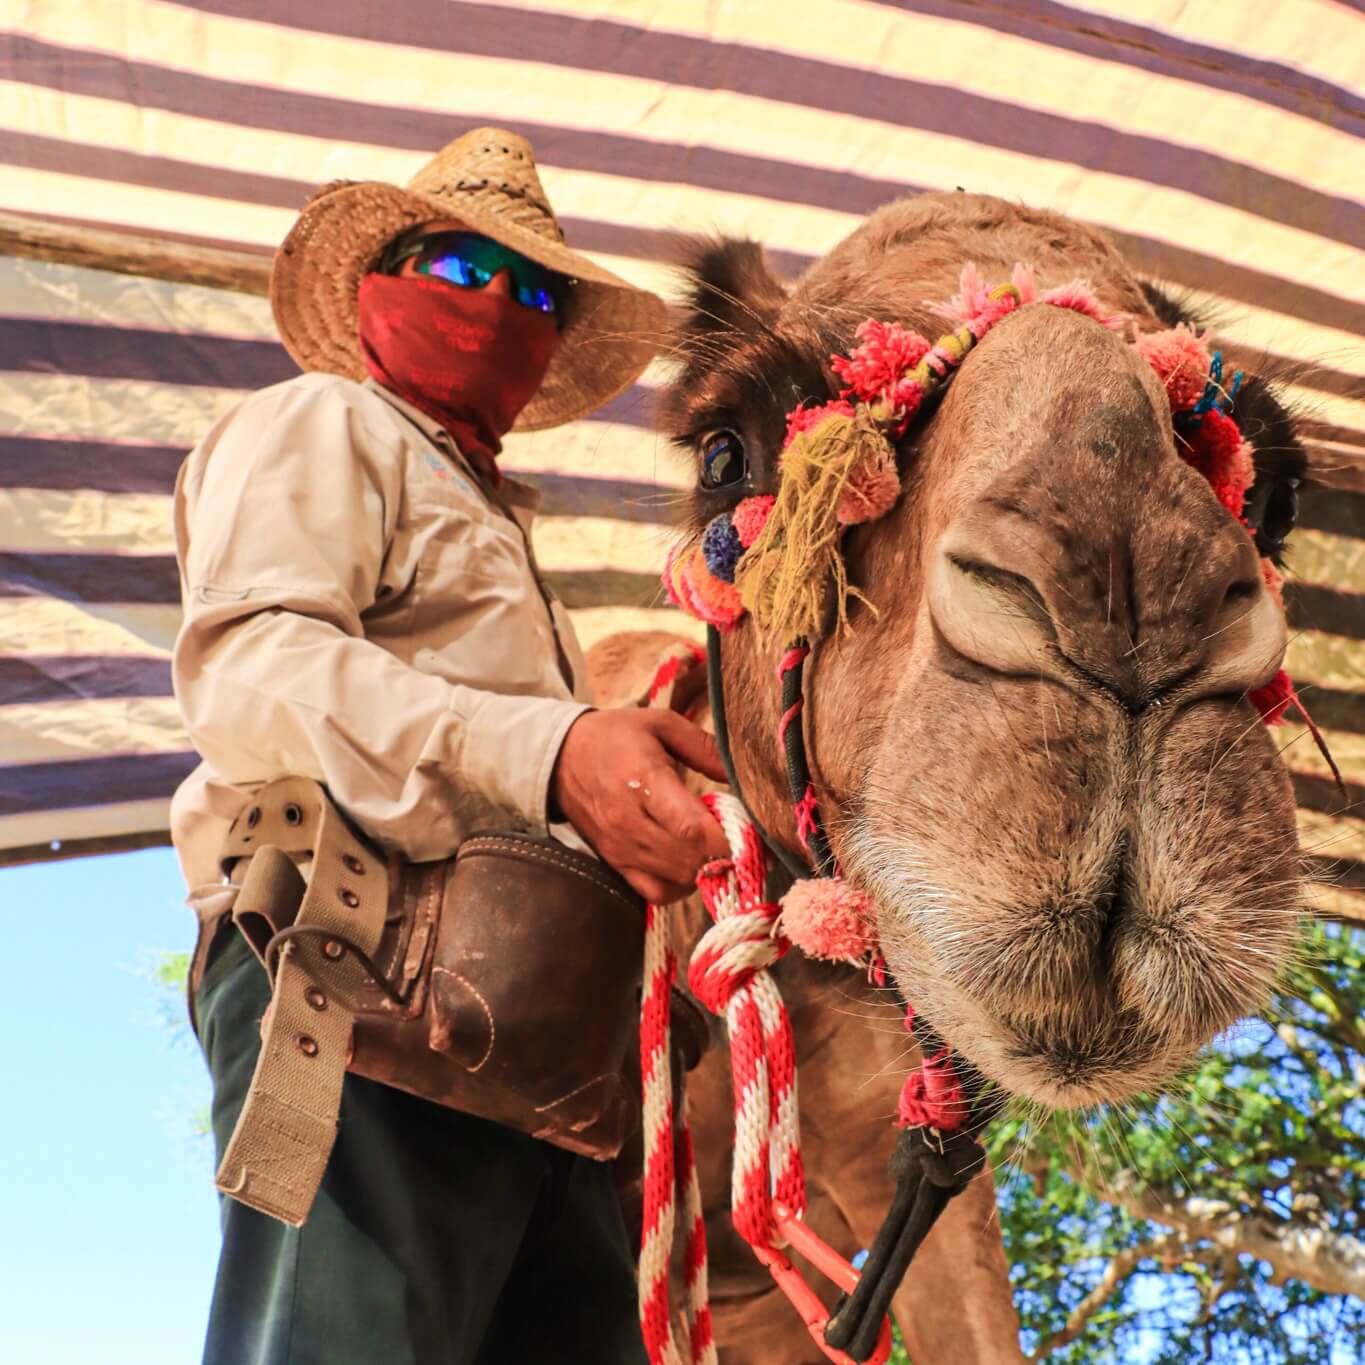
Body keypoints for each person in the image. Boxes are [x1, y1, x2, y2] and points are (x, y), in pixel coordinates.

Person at [170, 128, 727, 1365]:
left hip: (539, 1052)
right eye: (456, 269)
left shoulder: (501, 529)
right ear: (378, 288)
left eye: (531, 291)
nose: (496, 306)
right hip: (350, 980)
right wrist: (552, 752)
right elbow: (254, 676)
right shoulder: (320, 423)